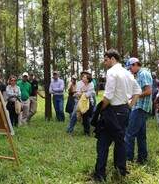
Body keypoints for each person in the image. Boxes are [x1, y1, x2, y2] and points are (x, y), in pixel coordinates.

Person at [93, 49, 141, 182]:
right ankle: (121, 170)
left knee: (103, 142)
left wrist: (101, 109)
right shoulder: (128, 73)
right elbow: (138, 91)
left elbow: (108, 96)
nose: (105, 62)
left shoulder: (112, 72)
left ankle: (100, 174)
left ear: (113, 58)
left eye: (106, 59)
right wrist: (129, 105)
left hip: (112, 110)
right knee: (120, 141)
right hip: (124, 111)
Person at [124, 57, 153, 164]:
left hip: (140, 108)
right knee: (141, 135)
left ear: (136, 64)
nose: (130, 70)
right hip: (139, 107)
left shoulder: (143, 73)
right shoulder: (139, 75)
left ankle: (128, 160)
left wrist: (135, 96)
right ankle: (142, 158)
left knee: (129, 134)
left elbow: (148, 91)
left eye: (131, 68)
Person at [66, 71, 95, 135]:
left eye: (85, 75)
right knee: (74, 115)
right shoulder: (79, 83)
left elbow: (90, 94)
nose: (83, 76)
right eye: (83, 75)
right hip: (78, 102)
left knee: (87, 117)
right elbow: (77, 94)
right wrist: (83, 92)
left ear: (88, 78)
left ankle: (88, 131)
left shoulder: (91, 84)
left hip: (89, 102)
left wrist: (82, 92)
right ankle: (69, 130)